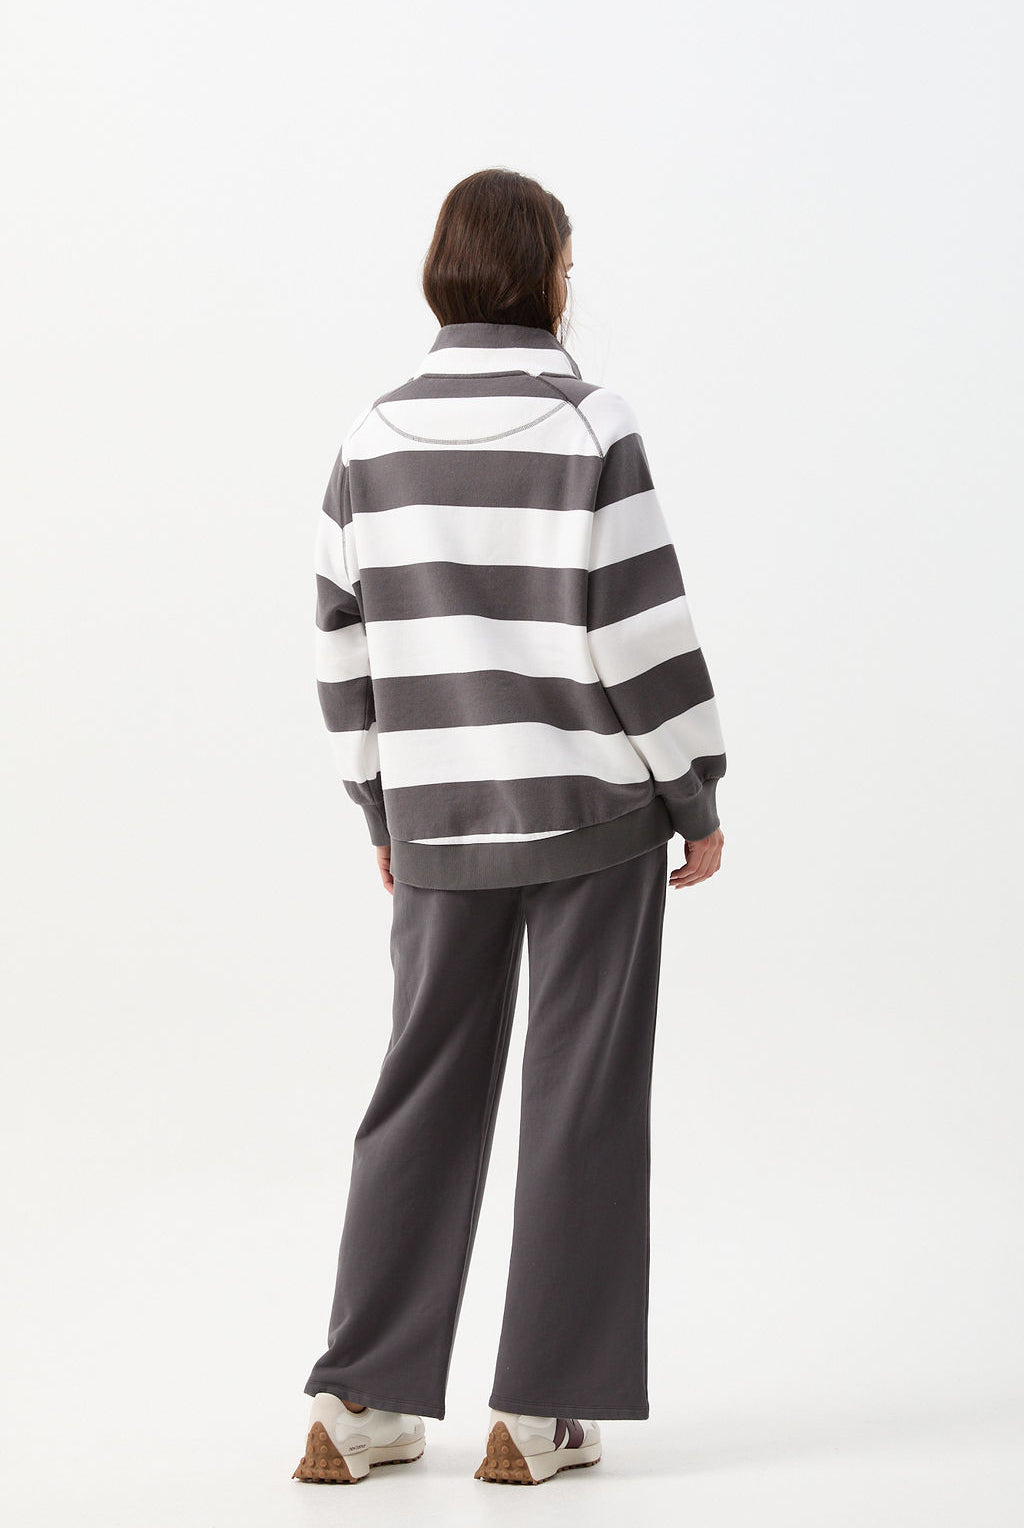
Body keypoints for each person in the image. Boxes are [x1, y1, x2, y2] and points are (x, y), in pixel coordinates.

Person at [293, 167, 727, 1488]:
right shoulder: (592, 425)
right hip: (593, 813)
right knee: (579, 1096)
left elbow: (343, 649)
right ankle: (539, 1413)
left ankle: (358, 1403)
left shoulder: (370, 436)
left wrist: (380, 803)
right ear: (544, 274)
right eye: (568, 263)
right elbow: (640, 635)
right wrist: (696, 792)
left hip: (436, 818)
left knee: (418, 1087)